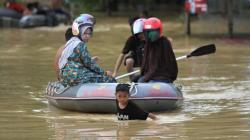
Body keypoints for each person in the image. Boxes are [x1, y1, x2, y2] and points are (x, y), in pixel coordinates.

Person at [58, 14, 116, 86]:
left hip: (65, 77)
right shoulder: (80, 44)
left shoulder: (70, 42)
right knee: (110, 79)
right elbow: (90, 64)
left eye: (89, 33)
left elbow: (74, 61)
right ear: (79, 31)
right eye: (84, 33)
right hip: (75, 76)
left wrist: (91, 60)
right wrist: (105, 73)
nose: (87, 36)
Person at [138, 17, 178, 83]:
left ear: (159, 31)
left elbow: (155, 67)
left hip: (163, 76)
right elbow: (146, 65)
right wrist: (142, 76)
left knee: (142, 81)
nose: (150, 35)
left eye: (152, 32)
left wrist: (144, 79)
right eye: (148, 33)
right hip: (153, 75)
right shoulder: (148, 44)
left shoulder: (164, 42)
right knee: (137, 79)